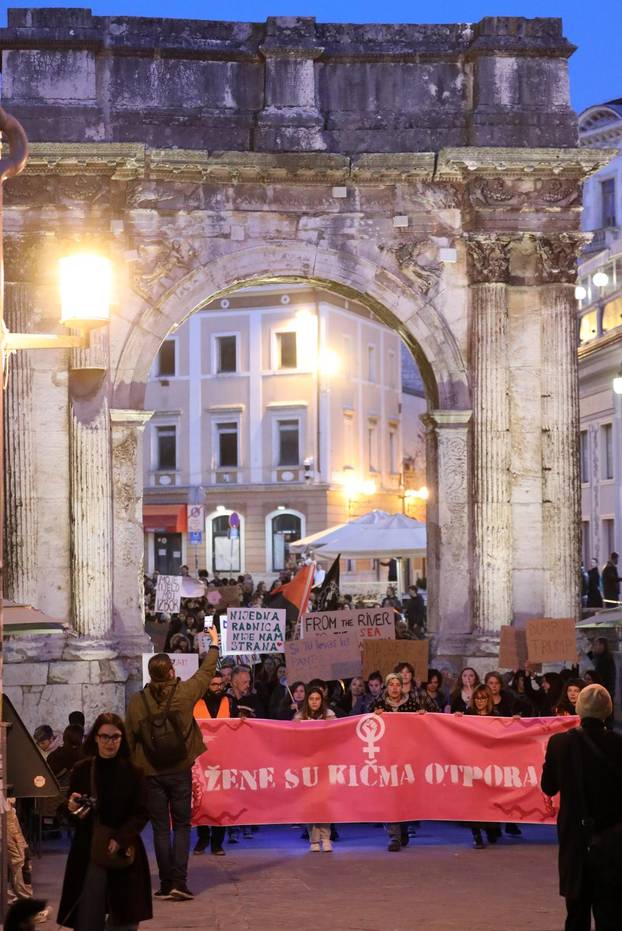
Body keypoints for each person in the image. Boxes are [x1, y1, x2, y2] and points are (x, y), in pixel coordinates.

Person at [125, 624, 219, 901]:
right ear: (171, 672)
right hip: (179, 769)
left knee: (159, 828)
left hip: (151, 772)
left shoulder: (137, 702)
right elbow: (206, 674)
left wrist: (131, 773)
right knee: (181, 825)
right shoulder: (184, 693)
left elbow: (130, 739)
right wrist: (213, 644)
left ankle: (165, 883)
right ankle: (180, 881)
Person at [57, 712, 152, 930]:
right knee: (88, 916)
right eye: (105, 736)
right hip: (89, 850)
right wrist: (70, 806)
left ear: (122, 738)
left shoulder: (134, 772)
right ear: (96, 738)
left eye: (115, 737)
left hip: (123, 850)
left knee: (124, 919)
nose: (110, 742)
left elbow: (141, 812)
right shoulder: (83, 769)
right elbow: (68, 810)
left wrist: (121, 838)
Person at [541, 683, 622, 931]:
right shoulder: (619, 744)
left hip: (575, 838)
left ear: (578, 708)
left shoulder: (559, 743)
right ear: (607, 710)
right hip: (612, 839)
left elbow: (548, 787)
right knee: (610, 912)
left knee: (576, 913)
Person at [374, 672, 426, 852]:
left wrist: (421, 716)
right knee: (390, 796)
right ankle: (394, 837)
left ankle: (403, 829)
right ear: (386, 687)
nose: (395, 688)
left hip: (407, 756)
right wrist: (375, 716)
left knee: (404, 795)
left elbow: (421, 727)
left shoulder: (412, 703)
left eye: (398, 684)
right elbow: (367, 724)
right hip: (387, 756)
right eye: (391, 684)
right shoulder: (378, 705)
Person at [192, 669, 237, 857]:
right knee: (202, 800)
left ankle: (217, 842)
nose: (218, 688)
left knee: (221, 801)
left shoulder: (229, 702)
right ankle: (203, 838)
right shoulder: (196, 703)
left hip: (223, 759)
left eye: (221, 684)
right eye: (214, 685)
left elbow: (235, 727)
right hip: (201, 760)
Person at [294, 687, 336, 852]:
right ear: (307, 700)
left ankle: (326, 838)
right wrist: (295, 725)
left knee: (325, 802)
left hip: (326, 763)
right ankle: (313, 839)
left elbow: (338, 734)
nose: (314, 702)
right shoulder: (299, 716)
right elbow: (292, 739)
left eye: (317, 699)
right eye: (311, 699)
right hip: (307, 763)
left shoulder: (330, 715)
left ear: (322, 700)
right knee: (310, 802)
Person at [588, 637, 616, 716]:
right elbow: (594, 658)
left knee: (605, 714)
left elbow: (599, 676)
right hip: (606, 691)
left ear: (602, 645)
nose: (594, 647)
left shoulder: (605, 659)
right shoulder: (604, 657)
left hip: (604, 691)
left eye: (596, 645)